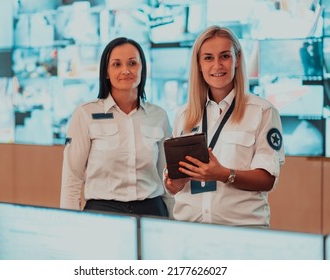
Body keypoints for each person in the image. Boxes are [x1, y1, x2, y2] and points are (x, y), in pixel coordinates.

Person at [164, 26, 285, 227]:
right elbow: (173, 186)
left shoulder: (263, 111)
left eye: (225, 56)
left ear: (237, 60)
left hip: (241, 231)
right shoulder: (184, 115)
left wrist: (223, 174)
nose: (217, 65)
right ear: (199, 65)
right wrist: (173, 183)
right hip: (189, 230)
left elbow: (267, 179)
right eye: (208, 58)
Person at [60, 37, 171, 217]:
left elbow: (167, 181)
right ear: (106, 72)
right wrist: (69, 225)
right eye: (116, 64)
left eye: (132, 63)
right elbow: (72, 179)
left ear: (142, 68)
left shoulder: (159, 116)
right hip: (102, 213)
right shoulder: (85, 114)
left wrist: (173, 223)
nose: (125, 70)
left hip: (152, 212)